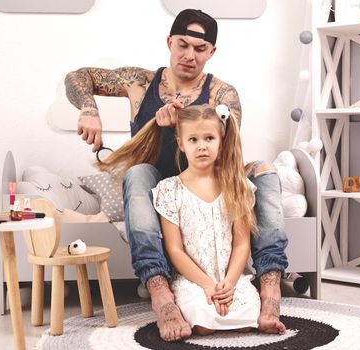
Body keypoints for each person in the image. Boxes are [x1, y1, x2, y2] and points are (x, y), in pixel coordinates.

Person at [64, 8, 288, 342]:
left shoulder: (222, 95)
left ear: (212, 52)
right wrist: (89, 109)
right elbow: (77, 77)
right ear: (169, 41)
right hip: (160, 181)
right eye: (182, 45)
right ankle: (160, 292)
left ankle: (270, 288)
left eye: (200, 49)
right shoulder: (139, 82)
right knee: (137, 174)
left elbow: (227, 151)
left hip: (209, 179)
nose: (189, 55)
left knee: (267, 172)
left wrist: (195, 124)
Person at [152, 103, 260, 335]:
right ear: (181, 143)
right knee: (202, 324)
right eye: (193, 140)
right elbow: (175, 250)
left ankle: (231, 298)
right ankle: (205, 306)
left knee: (248, 320)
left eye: (209, 138)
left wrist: (228, 284)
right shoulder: (169, 190)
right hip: (193, 280)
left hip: (230, 278)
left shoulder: (236, 187)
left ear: (221, 142)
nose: (202, 146)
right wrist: (208, 285)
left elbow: (242, 244)